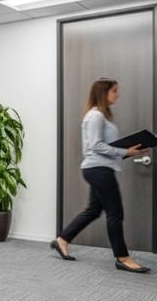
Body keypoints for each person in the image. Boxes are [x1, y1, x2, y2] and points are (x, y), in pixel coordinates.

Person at [51, 78, 150, 273]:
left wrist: (130, 151)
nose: (117, 94)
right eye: (114, 91)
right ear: (103, 93)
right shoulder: (95, 116)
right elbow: (96, 145)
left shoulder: (102, 116)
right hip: (98, 170)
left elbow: (103, 146)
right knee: (115, 213)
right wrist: (124, 152)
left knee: (94, 210)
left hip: (99, 168)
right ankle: (122, 257)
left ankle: (62, 239)